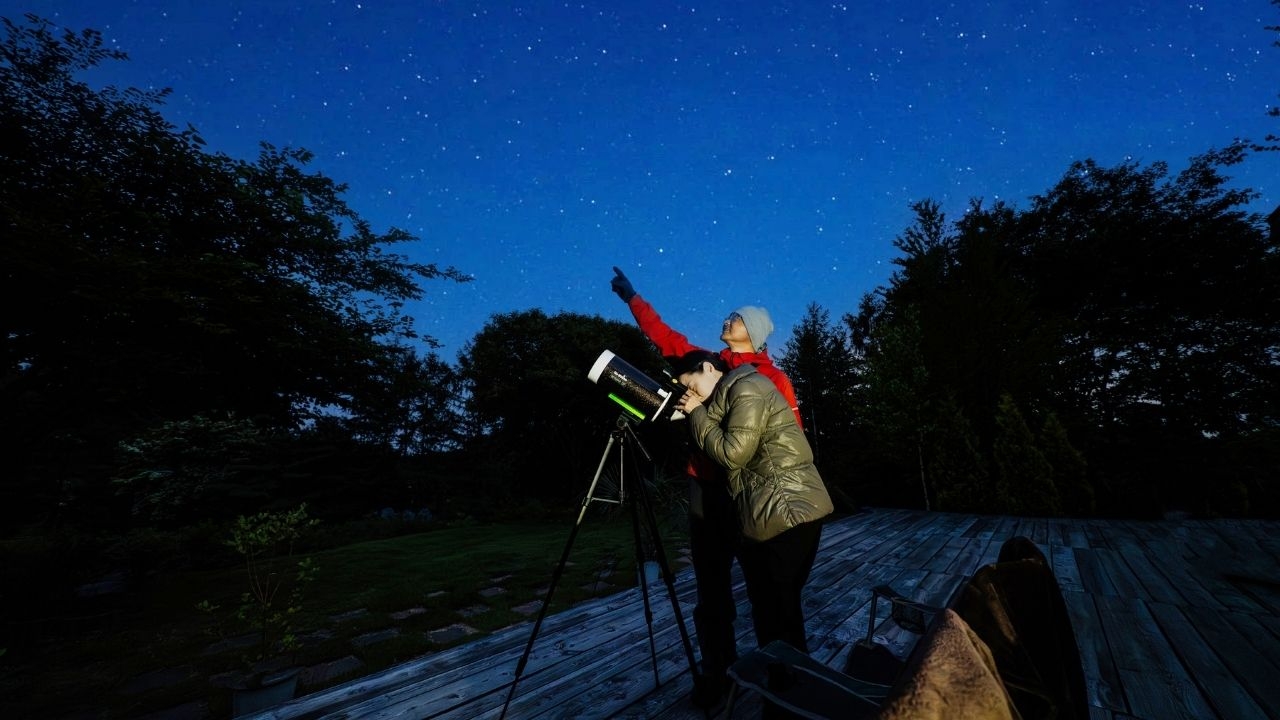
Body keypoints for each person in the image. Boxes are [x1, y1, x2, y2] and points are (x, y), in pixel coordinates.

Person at [610, 266, 802, 708]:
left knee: (767, 592)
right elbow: (666, 337)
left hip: (749, 494)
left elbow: (790, 440)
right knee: (711, 593)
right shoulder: (706, 362)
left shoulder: (773, 380)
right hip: (705, 491)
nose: (727, 319)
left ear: (752, 332)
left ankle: (783, 680)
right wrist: (632, 297)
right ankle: (717, 676)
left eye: (736, 318)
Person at [672, 349, 833, 691]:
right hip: (779, 514)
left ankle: (788, 698)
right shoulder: (731, 394)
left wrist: (697, 413)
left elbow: (732, 453)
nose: (692, 396)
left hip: (788, 514)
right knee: (776, 612)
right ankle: (789, 691)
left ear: (708, 368)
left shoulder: (745, 387)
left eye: (694, 386)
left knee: (777, 616)